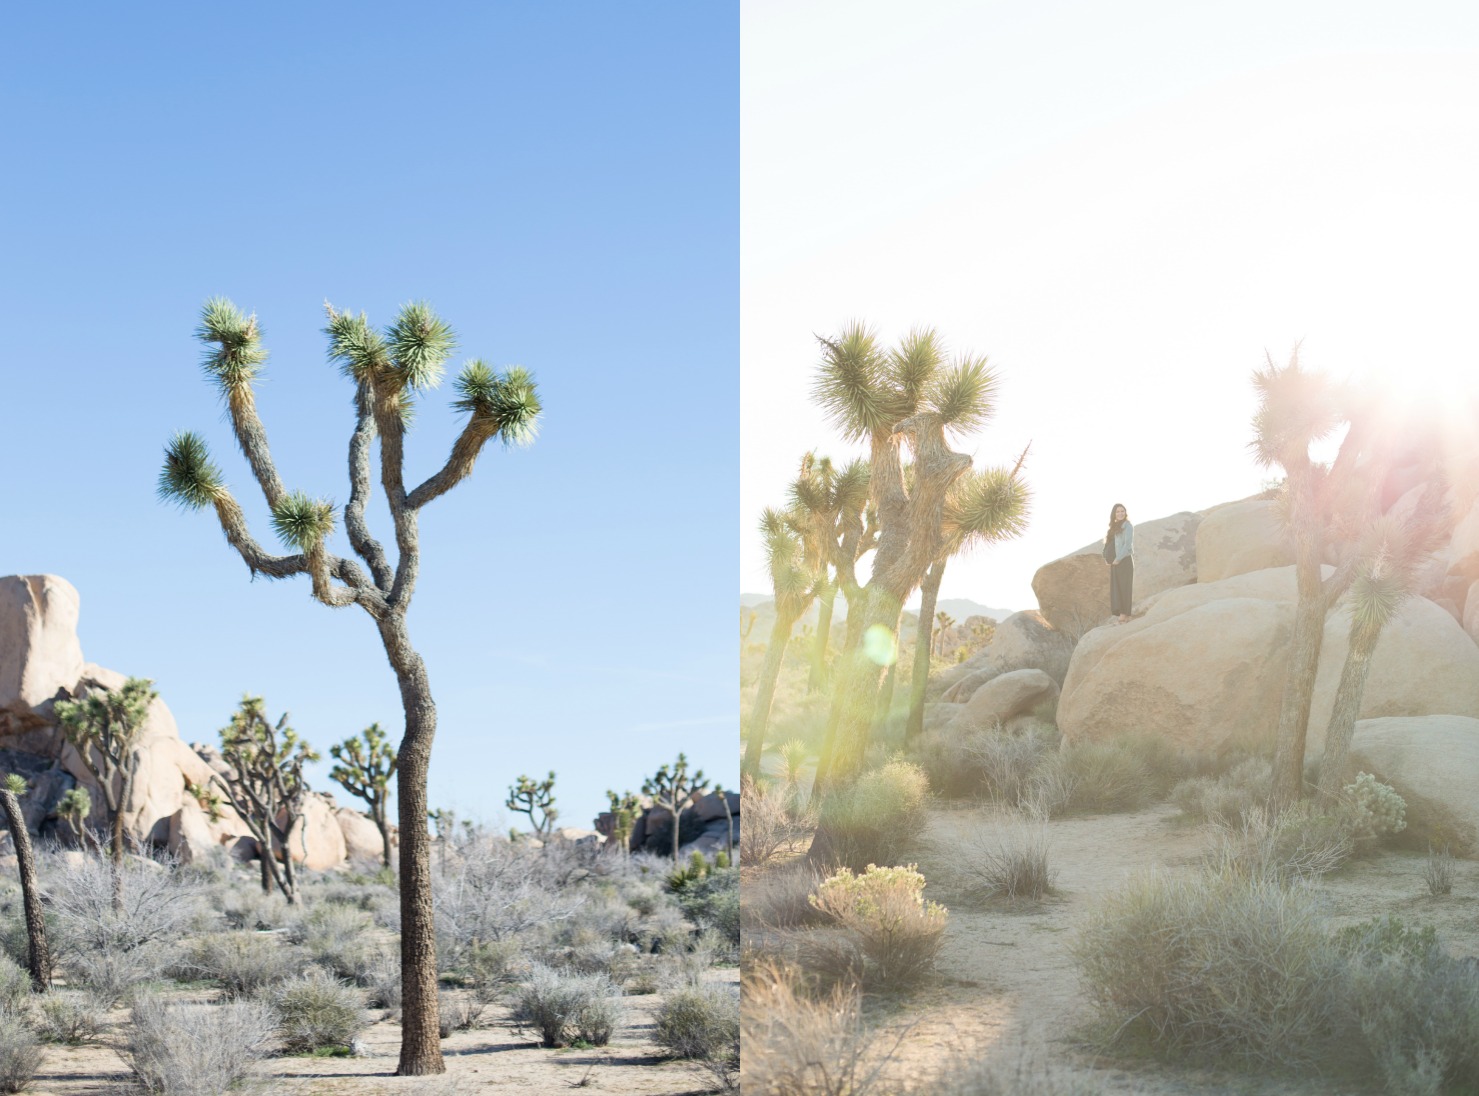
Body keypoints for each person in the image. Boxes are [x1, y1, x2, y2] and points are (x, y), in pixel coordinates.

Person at [1105, 503, 1133, 623]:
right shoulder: (1113, 528)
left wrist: (1118, 558)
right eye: (1118, 511)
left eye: (1122, 511)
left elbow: (1127, 545)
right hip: (1115, 563)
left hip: (1124, 561)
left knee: (1125, 588)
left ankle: (1125, 614)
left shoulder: (1128, 526)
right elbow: (1107, 544)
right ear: (1114, 514)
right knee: (1117, 588)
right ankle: (1122, 614)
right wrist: (1106, 558)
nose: (1120, 513)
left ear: (1125, 513)